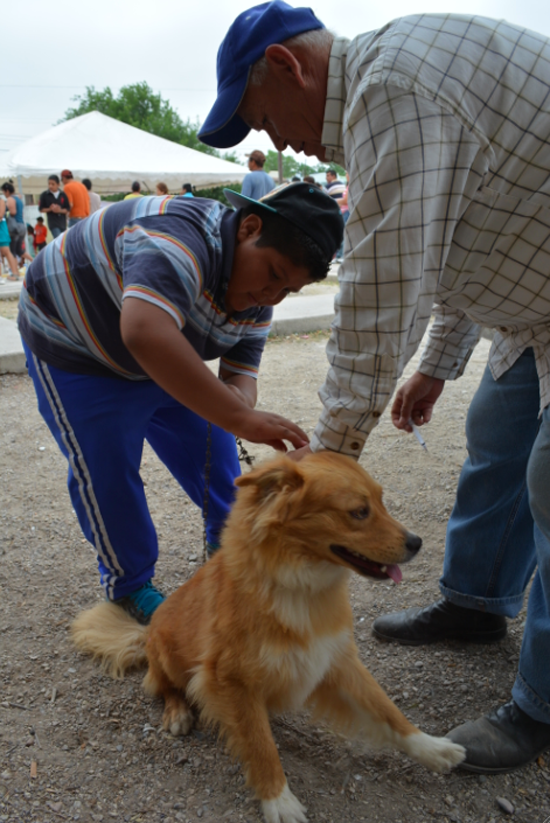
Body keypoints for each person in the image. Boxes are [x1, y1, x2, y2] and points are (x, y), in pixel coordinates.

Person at [199, 1, 550, 773]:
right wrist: (438, 361)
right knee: (496, 438)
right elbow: (457, 239)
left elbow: (380, 288)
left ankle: (540, 707)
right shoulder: (394, 86)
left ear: (288, 68)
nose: (277, 141)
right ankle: (477, 604)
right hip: (533, 309)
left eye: (262, 118)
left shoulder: (391, 85)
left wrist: (321, 469)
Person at [18, 182, 343, 624]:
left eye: (288, 290)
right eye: (272, 274)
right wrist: (240, 417)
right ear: (248, 227)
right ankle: (130, 586)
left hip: (161, 349)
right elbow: (145, 332)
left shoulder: (259, 295)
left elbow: (240, 374)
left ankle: (229, 545)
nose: (271, 297)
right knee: (106, 467)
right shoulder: (175, 239)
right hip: (78, 349)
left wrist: (236, 406)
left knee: (213, 446)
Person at [1, 182, 26, 265]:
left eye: (4, 192)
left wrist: (6, 209)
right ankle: (32, 262)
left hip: (15, 227)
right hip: (21, 225)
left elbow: (13, 212)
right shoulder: (18, 198)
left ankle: (14, 271)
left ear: (7, 191)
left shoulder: (10, 199)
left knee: (12, 251)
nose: (4, 194)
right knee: (19, 250)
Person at [0, 192, 20, 280]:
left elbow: (0, 215)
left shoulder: (1, 200)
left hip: (1, 228)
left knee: (6, 250)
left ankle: (15, 273)